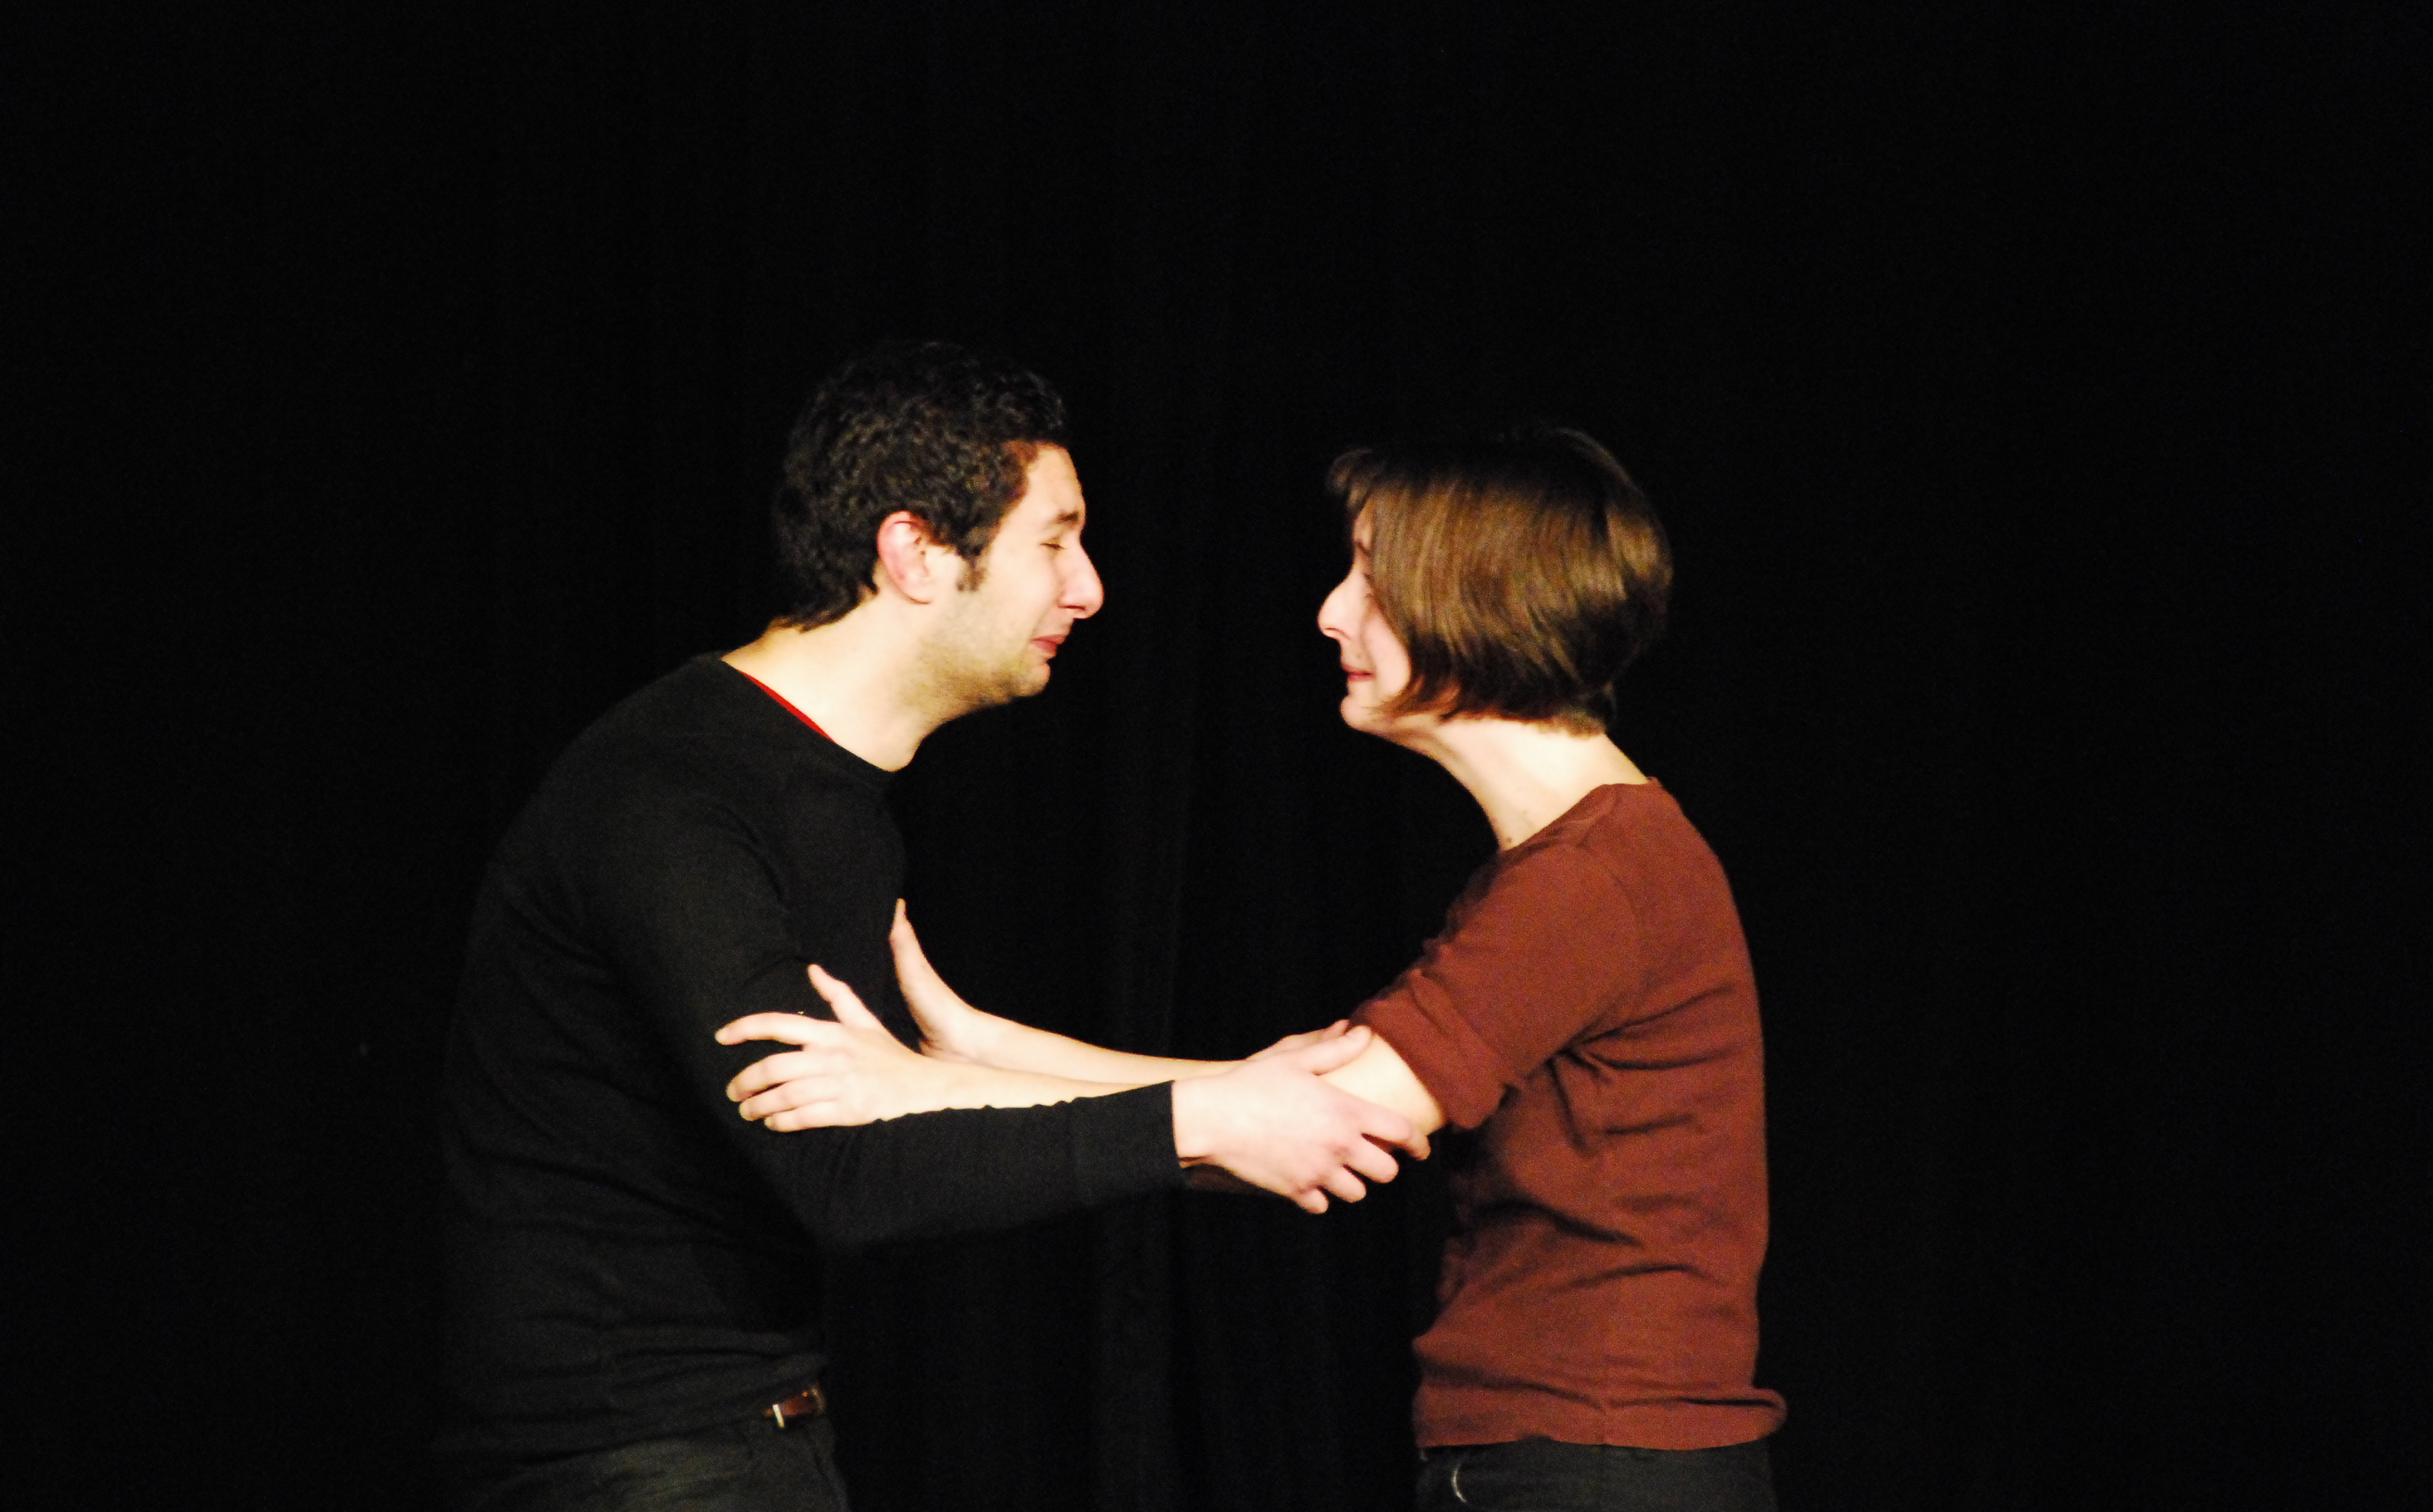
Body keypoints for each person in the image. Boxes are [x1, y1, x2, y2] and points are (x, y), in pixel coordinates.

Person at [723, 426, 1786, 1509]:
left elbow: (1326, 1123)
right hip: (1569, 1457)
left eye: (1369, 574)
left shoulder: (1591, 882)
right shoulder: (1566, 869)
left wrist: (924, 1091)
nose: (1331, 612)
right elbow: (1271, 1111)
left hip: (1602, 1465)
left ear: (1476, 596)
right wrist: (985, 1047)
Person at [436, 342, 1418, 1512]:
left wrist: (1232, 1093)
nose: (1088, 589)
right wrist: (1203, 1117)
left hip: (741, 1444)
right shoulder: (674, 795)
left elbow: (920, 1086)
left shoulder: (833, 802)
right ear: (913, 553)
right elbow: (838, 1165)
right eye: (1054, 542)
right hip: (631, 1462)